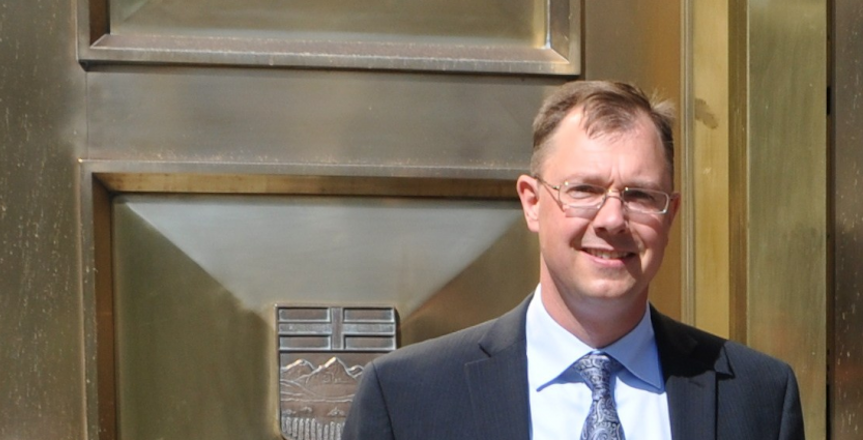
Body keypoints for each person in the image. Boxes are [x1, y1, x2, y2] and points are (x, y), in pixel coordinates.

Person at [342, 80, 804, 440]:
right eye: (583, 189)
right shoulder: (406, 397)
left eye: (640, 195)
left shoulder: (757, 393)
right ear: (531, 202)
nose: (612, 219)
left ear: (671, 214)